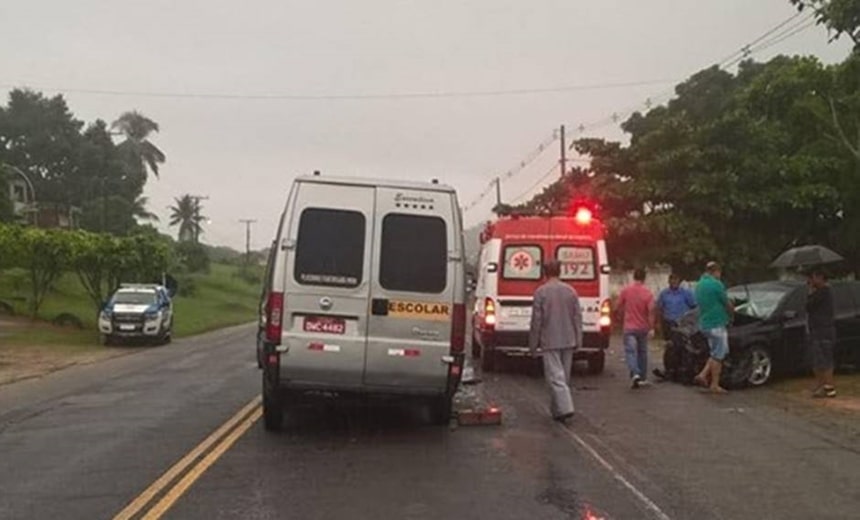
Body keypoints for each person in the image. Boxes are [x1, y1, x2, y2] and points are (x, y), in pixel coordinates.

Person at [529, 260, 583, 424]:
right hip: (568, 338)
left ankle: (566, 408)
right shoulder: (571, 291)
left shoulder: (541, 292)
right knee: (563, 377)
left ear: (545, 273)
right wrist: (579, 339)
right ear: (560, 272)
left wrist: (533, 344)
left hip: (550, 339)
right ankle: (557, 410)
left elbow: (536, 321)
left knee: (555, 377)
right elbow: (577, 318)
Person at [694, 261, 733, 394]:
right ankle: (714, 384)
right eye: (719, 272)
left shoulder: (699, 284)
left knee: (715, 351)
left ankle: (703, 374)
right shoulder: (716, 284)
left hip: (704, 323)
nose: (719, 275)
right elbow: (726, 302)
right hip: (716, 323)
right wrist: (731, 314)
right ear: (715, 271)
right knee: (719, 356)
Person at [616, 268, 656, 389]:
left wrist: (620, 316)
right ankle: (642, 377)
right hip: (642, 327)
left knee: (630, 351)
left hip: (629, 327)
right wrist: (652, 327)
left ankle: (635, 372)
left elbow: (618, 306)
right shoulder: (647, 293)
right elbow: (651, 311)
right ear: (644, 278)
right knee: (642, 352)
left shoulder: (626, 291)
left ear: (634, 277)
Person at [806, 268, 837, 398]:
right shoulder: (822, 292)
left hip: (822, 330)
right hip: (819, 329)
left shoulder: (823, 292)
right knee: (819, 359)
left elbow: (809, 306)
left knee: (823, 359)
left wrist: (810, 291)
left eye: (813, 278)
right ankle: (822, 385)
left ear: (820, 277)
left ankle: (828, 387)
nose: (810, 281)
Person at [656, 274, 696, 338]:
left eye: (676, 280)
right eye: (672, 280)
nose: (674, 282)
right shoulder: (664, 294)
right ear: (669, 281)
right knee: (669, 343)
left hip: (682, 324)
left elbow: (693, 307)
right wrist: (658, 323)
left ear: (679, 281)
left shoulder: (686, 293)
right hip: (668, 323)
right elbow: (659, 309)